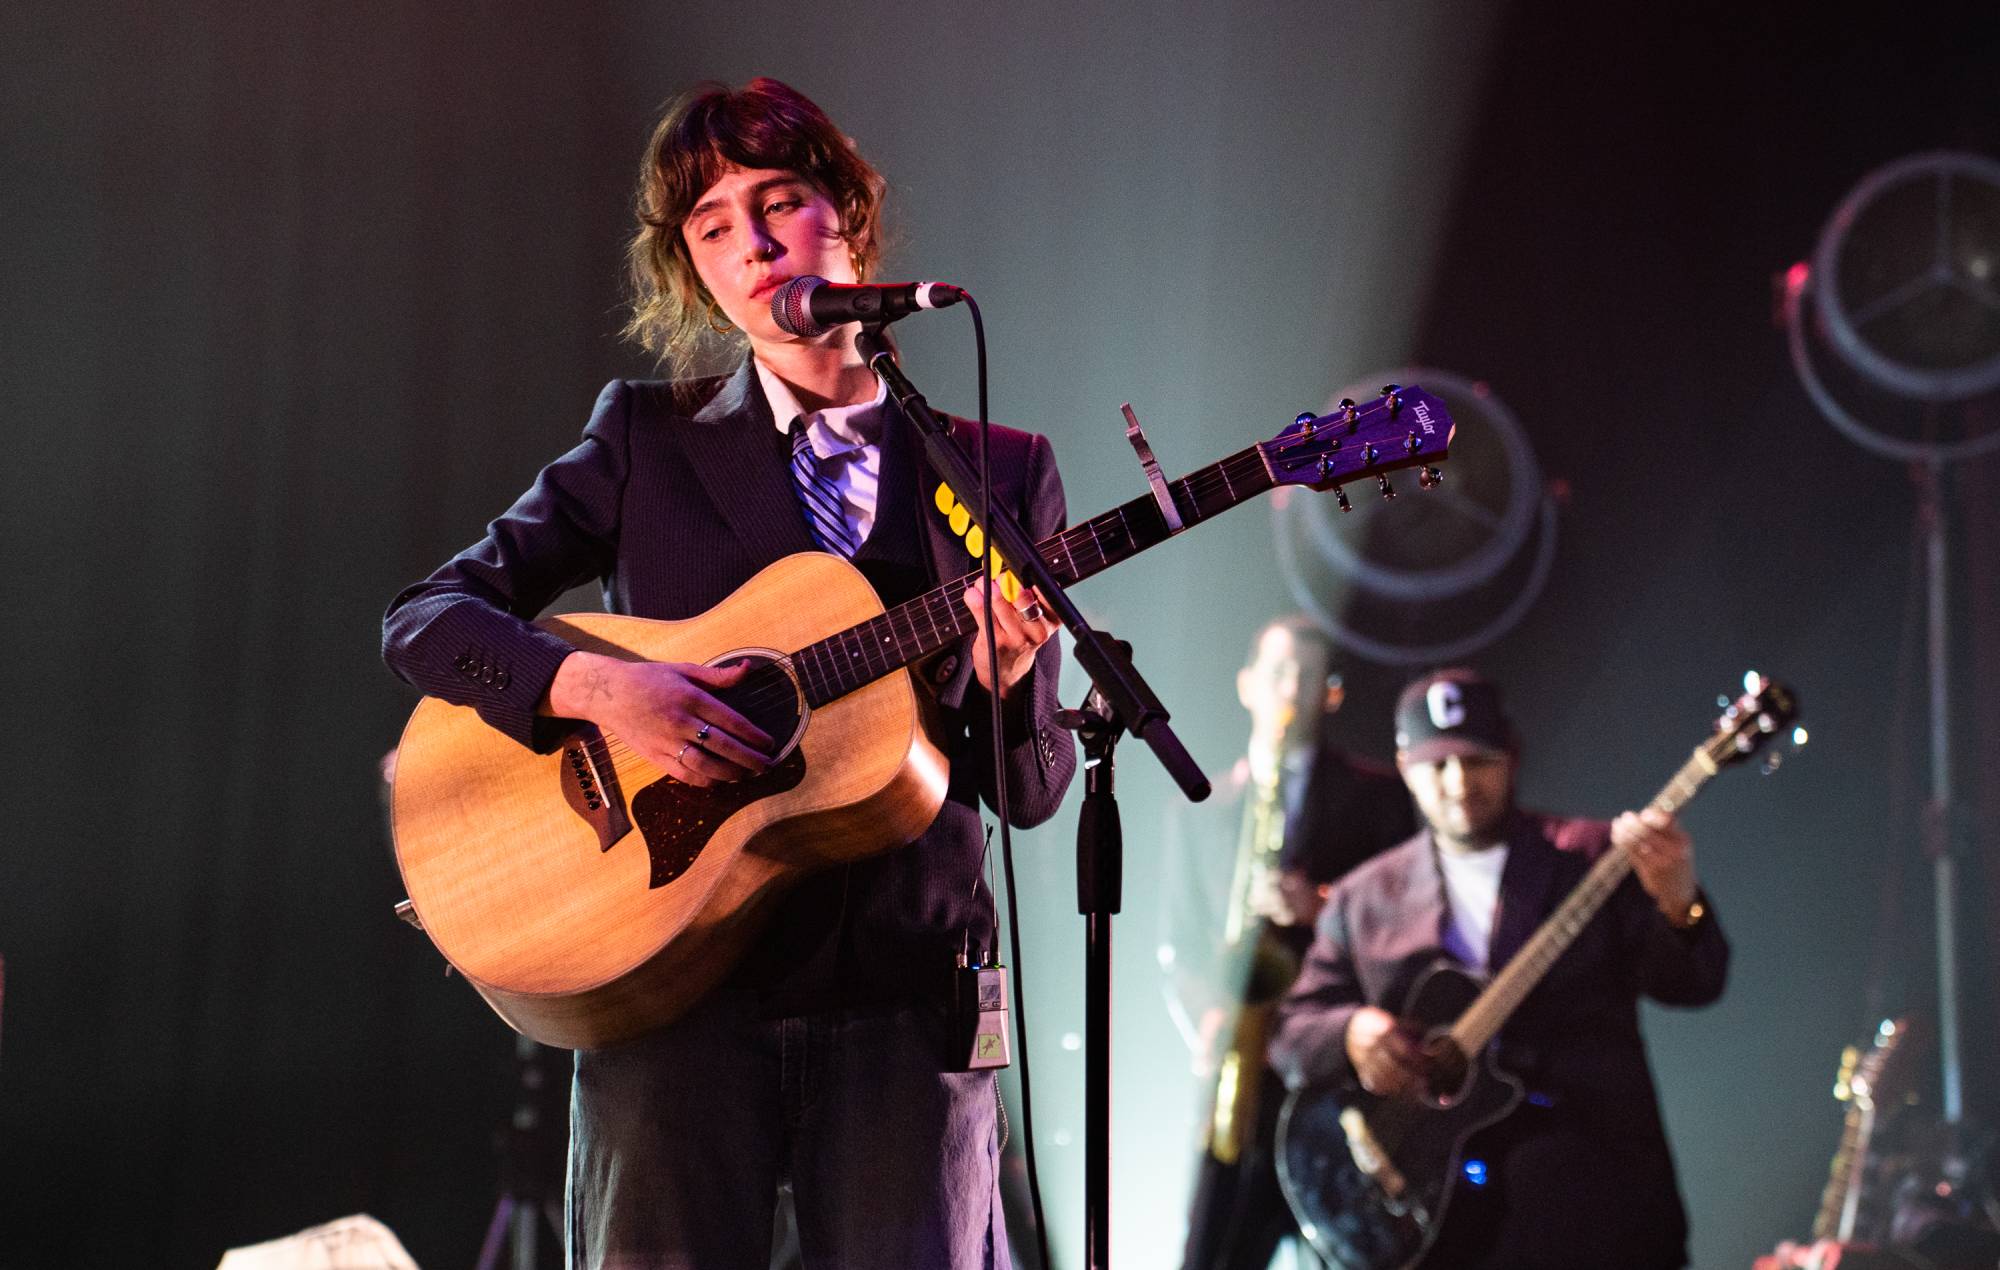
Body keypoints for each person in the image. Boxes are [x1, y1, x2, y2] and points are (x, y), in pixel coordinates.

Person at [382, 78, 1076, 1269]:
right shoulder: (646, 436)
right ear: (691, 270)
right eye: (711, 226)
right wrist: (600, 688)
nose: (751, 245)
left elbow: (1027, 792)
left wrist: (1009, 682)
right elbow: (427, 618)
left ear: (845, 215)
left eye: (778, 201)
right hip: (671, 993)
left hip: (906, 1010)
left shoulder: (993, 468)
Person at [1270, 668, 1729, 1270]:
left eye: (1476, 759)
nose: (1459, 783)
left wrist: (1679, 903)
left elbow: (1694, 985)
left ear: (1511, 756)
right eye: (1438, 766)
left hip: (1597, 1205)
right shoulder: (1364, 898)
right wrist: (1353, 1032)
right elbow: (1291, 1032)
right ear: (1405, 766)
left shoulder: (1591, 856)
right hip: (1443, 1227)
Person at [1159, 617, 1414, 1270]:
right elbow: (1178, 944)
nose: (1292, 688)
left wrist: (1322, 904)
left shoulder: (1381, 798)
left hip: (1336, 1081)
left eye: (1308, 675)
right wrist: (1208, 1020)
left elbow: (1407, 922)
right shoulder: (1201, 809)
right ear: (1247, 685)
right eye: (1278, 672)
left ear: (1330, 694)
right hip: (1241, 1080)